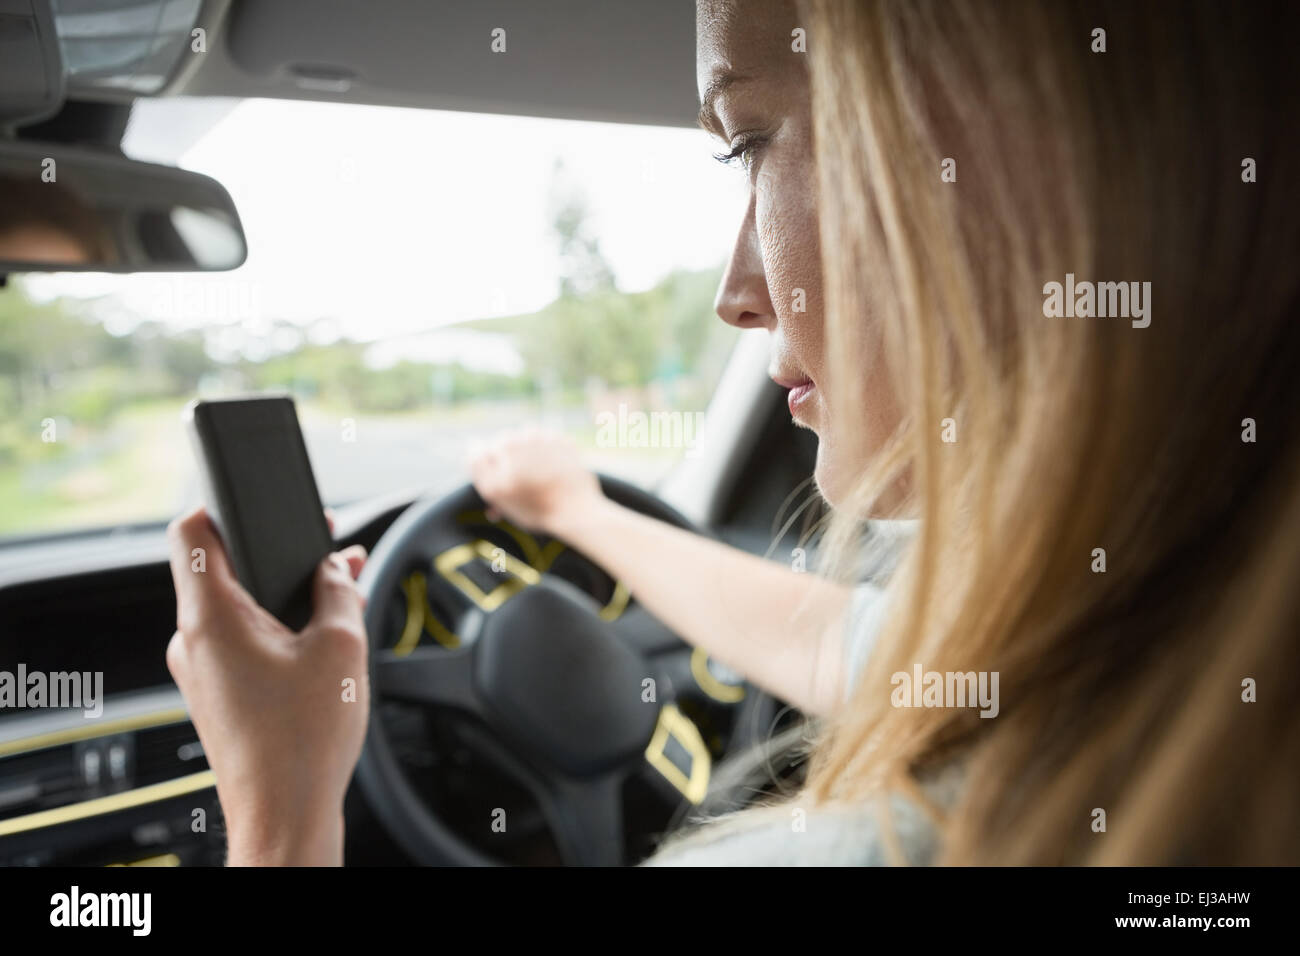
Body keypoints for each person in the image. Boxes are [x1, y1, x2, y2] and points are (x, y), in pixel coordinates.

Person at [165, 0, 1300, 866]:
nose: (737, 291)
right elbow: (861, 642)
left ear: (1036, 159)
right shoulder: (1148, 628)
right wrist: (576, 510)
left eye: (745, 140)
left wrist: (282, 799)